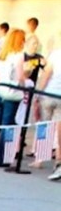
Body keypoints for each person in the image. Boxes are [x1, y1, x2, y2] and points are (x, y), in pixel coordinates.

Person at [0, 28, 26, 166]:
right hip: (12, 95)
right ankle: (2, 159)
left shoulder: (1, 55)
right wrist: (24, 85)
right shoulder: (19, 56)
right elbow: (20, 77)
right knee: (6, 126)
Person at [35, 34, 61, 179]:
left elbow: (46, 74)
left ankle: (40, 159)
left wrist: (39, 93)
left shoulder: (55, 55)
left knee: (45, 126)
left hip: (49, 93)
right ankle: (58, 159)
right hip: (60, 97)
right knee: (59, 129)